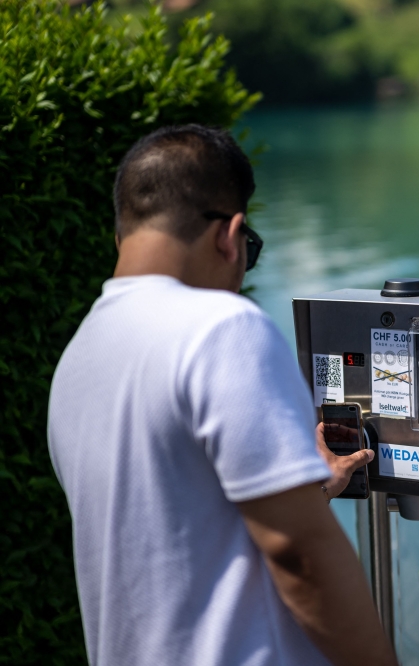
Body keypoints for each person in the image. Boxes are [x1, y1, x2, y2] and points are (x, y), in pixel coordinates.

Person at [47, 125, 398, 666]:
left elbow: (167, 531)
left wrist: (308, 490)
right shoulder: (222, 328)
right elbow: (301, 556)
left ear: (123, 236)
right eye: (249, 251)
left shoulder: (77, 358)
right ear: (230, 236)